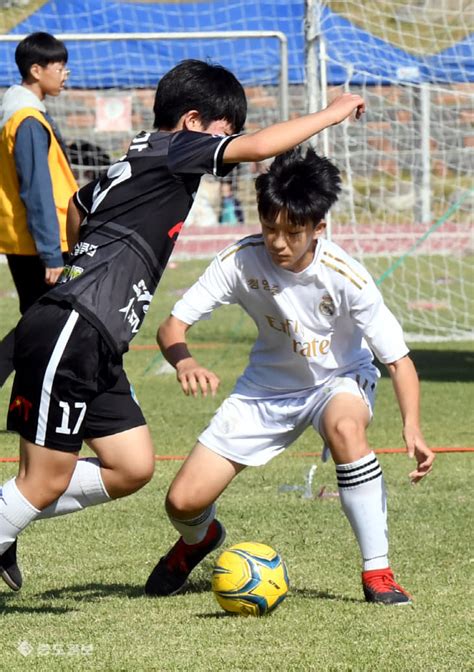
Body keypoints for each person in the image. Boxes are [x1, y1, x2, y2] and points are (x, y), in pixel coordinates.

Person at [0, 58, 364, 593]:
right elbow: (260, 148)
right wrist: (330, 113)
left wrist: (92, 257)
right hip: (75, 326)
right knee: (45, 478)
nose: (230, 143)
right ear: (194, 121)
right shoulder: (174, 150)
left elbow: (79, 205)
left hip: (97, 337)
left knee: (131, 465)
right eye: (224, 131)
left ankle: (10, 512)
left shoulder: (138, 155)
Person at [144, 147, 435, 605]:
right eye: (269, 228)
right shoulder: (239, 260)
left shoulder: (346, 277)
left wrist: (412, 428)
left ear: (319, 228)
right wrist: (185, 361)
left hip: (337, 380)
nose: (278, 242)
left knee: (345, 425)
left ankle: (378, 572)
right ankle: (199, 540)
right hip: (265, 389)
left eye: (292, 232)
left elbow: (399, 361)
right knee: (182, 502)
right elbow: (171, 327)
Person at [0, 32, 78, 388]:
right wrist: (51, 254)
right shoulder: (27, 119)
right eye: (59, 67)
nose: (65, 74)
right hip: (39, 244)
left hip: (30, 240)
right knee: (44, 323)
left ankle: (27, 404)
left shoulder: (22, 114)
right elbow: (37, 191)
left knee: (40, 324)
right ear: (36, 70)